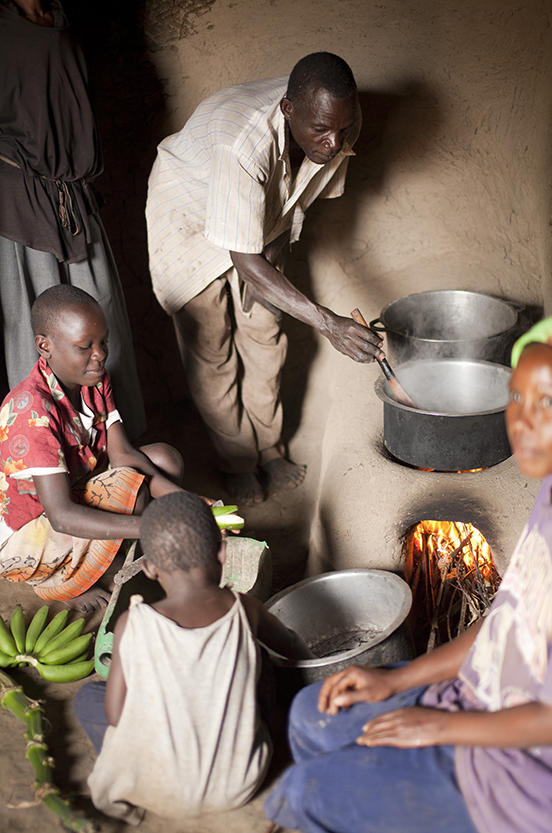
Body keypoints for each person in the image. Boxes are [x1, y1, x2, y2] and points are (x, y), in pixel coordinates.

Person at [264, 315, 552, 833]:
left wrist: (444, 727)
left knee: (303, 792)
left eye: (548, 404)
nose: (525, 422)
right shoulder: (549, 498)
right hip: (473, 698)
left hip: (518, 779)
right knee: (312, 711)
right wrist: (393, 679)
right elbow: (506, 624)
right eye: (517, 398)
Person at [146, 51, 382, 506]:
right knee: (212, 347)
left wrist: (275, 249)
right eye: (320, 130)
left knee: (266, 333)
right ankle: (236, 461)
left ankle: (270, 450)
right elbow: (243, 256)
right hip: (190, 222)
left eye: (341, 129)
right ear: (289, 111)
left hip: (257, 223)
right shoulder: (243, 146)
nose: (333, 142)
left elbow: (300, 196)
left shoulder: (338, 120)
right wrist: (328, 322)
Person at [74, 490, 312, 822]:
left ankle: (137, 783)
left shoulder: (133, 622)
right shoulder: (243, 609)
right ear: (223, 553)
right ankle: (281, 736)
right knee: (262, 660)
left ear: (152, 569)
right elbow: (294, 649)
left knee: (88, 697)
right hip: (239, 783)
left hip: (153, 787)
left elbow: (116, 715)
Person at [0, 0, 145, 439]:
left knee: (102, 327)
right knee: (37, 334)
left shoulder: (63, 21)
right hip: (19, 204)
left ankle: (119, 448)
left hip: (73, 198)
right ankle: (51, 465)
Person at [0, 285, 185, 610]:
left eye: (103, 342)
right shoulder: (31, 412)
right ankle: (63, 582)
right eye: (85, 346)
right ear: (45, 346)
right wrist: (154, 524)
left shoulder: (93, 378)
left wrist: (185, 503)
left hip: (72, 488)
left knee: (162, 460)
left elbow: (123, 454)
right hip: (27, 532)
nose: (99, 355)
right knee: (131, 488)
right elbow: (61, 517)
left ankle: (116, 555)